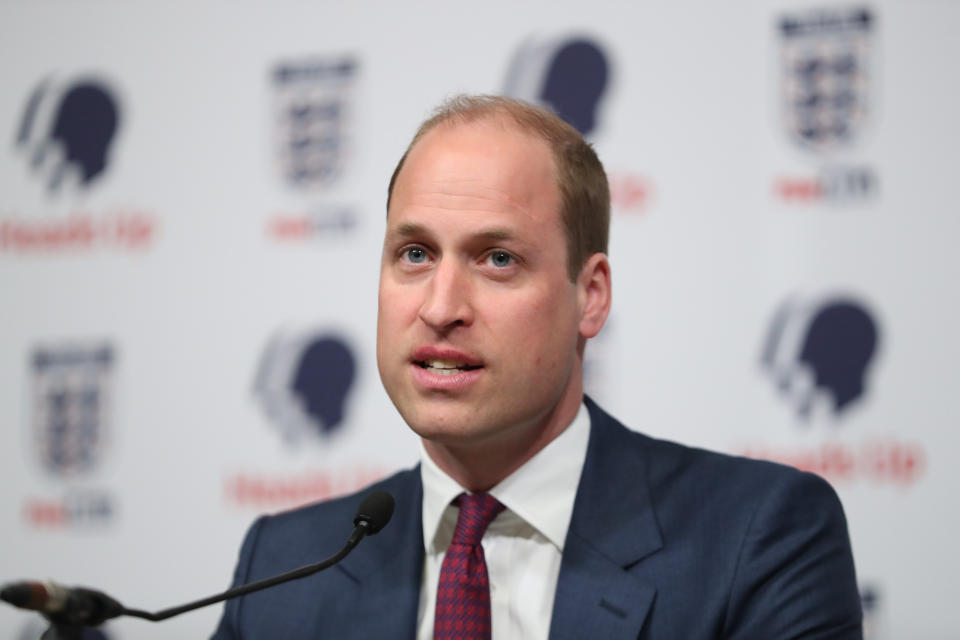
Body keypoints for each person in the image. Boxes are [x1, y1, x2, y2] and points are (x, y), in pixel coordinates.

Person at [212, 95, 862, 639]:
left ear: (591, 295)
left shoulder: (758, 538)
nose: (440, 308)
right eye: (414, 253)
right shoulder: (284, 569)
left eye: (497, 259)